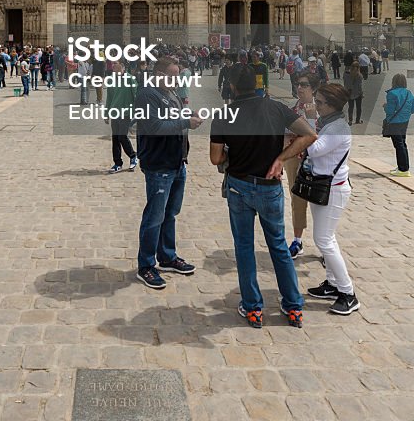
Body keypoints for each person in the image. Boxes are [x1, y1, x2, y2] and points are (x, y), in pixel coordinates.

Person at [210, 60, 316, 329]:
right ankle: (293, 306)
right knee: (278, 246)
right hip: (269, 188)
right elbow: (309, 135)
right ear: (256, 84)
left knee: (244, 248)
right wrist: (280, 159)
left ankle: (253, 307)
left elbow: (215, 158)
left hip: (239, 185)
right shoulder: (275, 107)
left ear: (231, 86)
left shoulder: (224, 115)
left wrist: (231, 152)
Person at [135, 57, 202, 290]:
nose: (177, 79)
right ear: (159, 73)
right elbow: (154, 127)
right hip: (159, 164)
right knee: (154, 216)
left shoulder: (170, 93)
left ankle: (167, 257)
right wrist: (186, 122)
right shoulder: (147, 95)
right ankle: (146, 265)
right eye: (173, 75)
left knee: (170, 213)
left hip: (176, 162)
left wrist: (188, 114)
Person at [305, 83, 359, 316]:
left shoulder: (338, 128)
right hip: (322, 185)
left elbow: (314, 149)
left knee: (323, 239)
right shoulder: (328, 124)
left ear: (332, 105)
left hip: (333, 189)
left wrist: (306, 122)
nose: (316, 106)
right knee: (327, 238)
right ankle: (332, 284)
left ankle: (348, 293)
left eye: (320, 102)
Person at [285, 74, 319, 259]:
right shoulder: (292, 108)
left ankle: (325, 243)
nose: (299, 88)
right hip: (294, 159)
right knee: (296, 198)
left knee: (320, 200)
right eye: (298, 84)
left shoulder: (322, 108)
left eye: (304, 85)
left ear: (313, 88)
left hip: (317, 160)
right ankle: (298, 240)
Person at [383, 73, 414, 177]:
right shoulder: (409, 93)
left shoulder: (392, 94)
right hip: (405, 121)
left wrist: (385, 106)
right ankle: (403, 167)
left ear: (394, 82)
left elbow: (390, 111)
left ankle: (403, 169)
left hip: (394, 122)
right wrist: (405, 113)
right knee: (403, 143)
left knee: (398, 145)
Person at [105, 68, 138, 173]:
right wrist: (106, 113)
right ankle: (117, 163)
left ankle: (133, 155)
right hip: (115, 112)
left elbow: (136, 95)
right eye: (113, 64)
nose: (114, 66)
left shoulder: (130, 79)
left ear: (123, 67)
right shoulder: (111, 80)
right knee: (115, 138)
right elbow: (109, 98)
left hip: (126, 112)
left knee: (122, 136)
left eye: (116, 64)